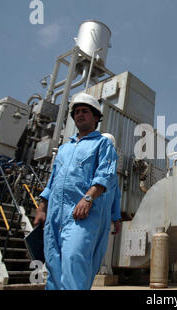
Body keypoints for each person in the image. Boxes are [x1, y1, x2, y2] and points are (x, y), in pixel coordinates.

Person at [34, 93, 118, 290]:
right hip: (55, 214)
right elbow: (52, 181)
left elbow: (105, 175)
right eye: (77, 112)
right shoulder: (64, 149)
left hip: (82, 215)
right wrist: (42, 207)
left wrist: (88, 198)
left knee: (74, 258)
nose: (80, 115)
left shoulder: (102, 144)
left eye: (85, 111)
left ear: (96, 117)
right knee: (53, 262)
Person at [101, 133, 122, 234]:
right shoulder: (90, 166)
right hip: (88, 215)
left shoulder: (112, 174)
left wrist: (116, 218)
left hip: (104, 218)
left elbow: (116, 196)